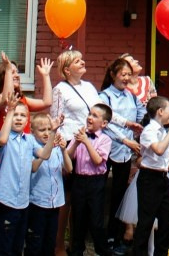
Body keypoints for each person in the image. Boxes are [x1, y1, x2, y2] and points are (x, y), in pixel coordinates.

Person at [100, 57, 143, 253]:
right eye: (122, 74)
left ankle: (114, 236)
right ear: (113, 75)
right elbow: (106, 122)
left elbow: (143, 115)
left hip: (125, 152)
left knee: (119, 195)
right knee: (100, 194)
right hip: (105, 150)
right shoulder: (104, 96)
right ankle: (101, 238)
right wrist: (125, 139)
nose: (126, 78)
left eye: (128, 75)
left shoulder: (131, 96)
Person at [134, 97, 169, 256]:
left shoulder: (162, 131)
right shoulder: (149, 130)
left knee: (167, 218)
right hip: (149, 179)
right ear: (160, 111)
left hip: (162, 178)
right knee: (146, 221)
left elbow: (165, 161)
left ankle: (161, 252)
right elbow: (159, 150)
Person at [67, 103, 113, 256]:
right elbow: (69, 156)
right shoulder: (80, 135)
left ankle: (102, 251)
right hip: (79, 180)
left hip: (96, 182)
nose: (90, 118)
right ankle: (76, 251)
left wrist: (86, 142)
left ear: (104, 123)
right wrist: (76, 142)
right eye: (89, 114)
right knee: (78, 219)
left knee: (96, 221)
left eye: (95, 116)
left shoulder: (105, 140)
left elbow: (98, 160)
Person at [0, 99, 38, 256]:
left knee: (18, 244)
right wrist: (10, 110)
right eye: (15, 115)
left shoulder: (30, 139)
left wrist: (53, 133)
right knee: (4, 244)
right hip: (6, 199)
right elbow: (2, 140)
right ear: (7, 118)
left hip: (23, 201)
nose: (18, 118)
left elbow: (44, 155)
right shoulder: (2, 136)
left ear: (27, 120)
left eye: (22, 115)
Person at [27, 111, 70, 256]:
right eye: (42, 130)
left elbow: (69, 168)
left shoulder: (57, 148)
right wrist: (49, 148)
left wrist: (63, 150)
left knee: (50, 241)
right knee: (35, 241)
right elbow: (33, 167)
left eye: (49, 129)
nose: (46, 133)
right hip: (37, 202)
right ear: (32, 131)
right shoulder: (32, 146)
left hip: (54, 203)